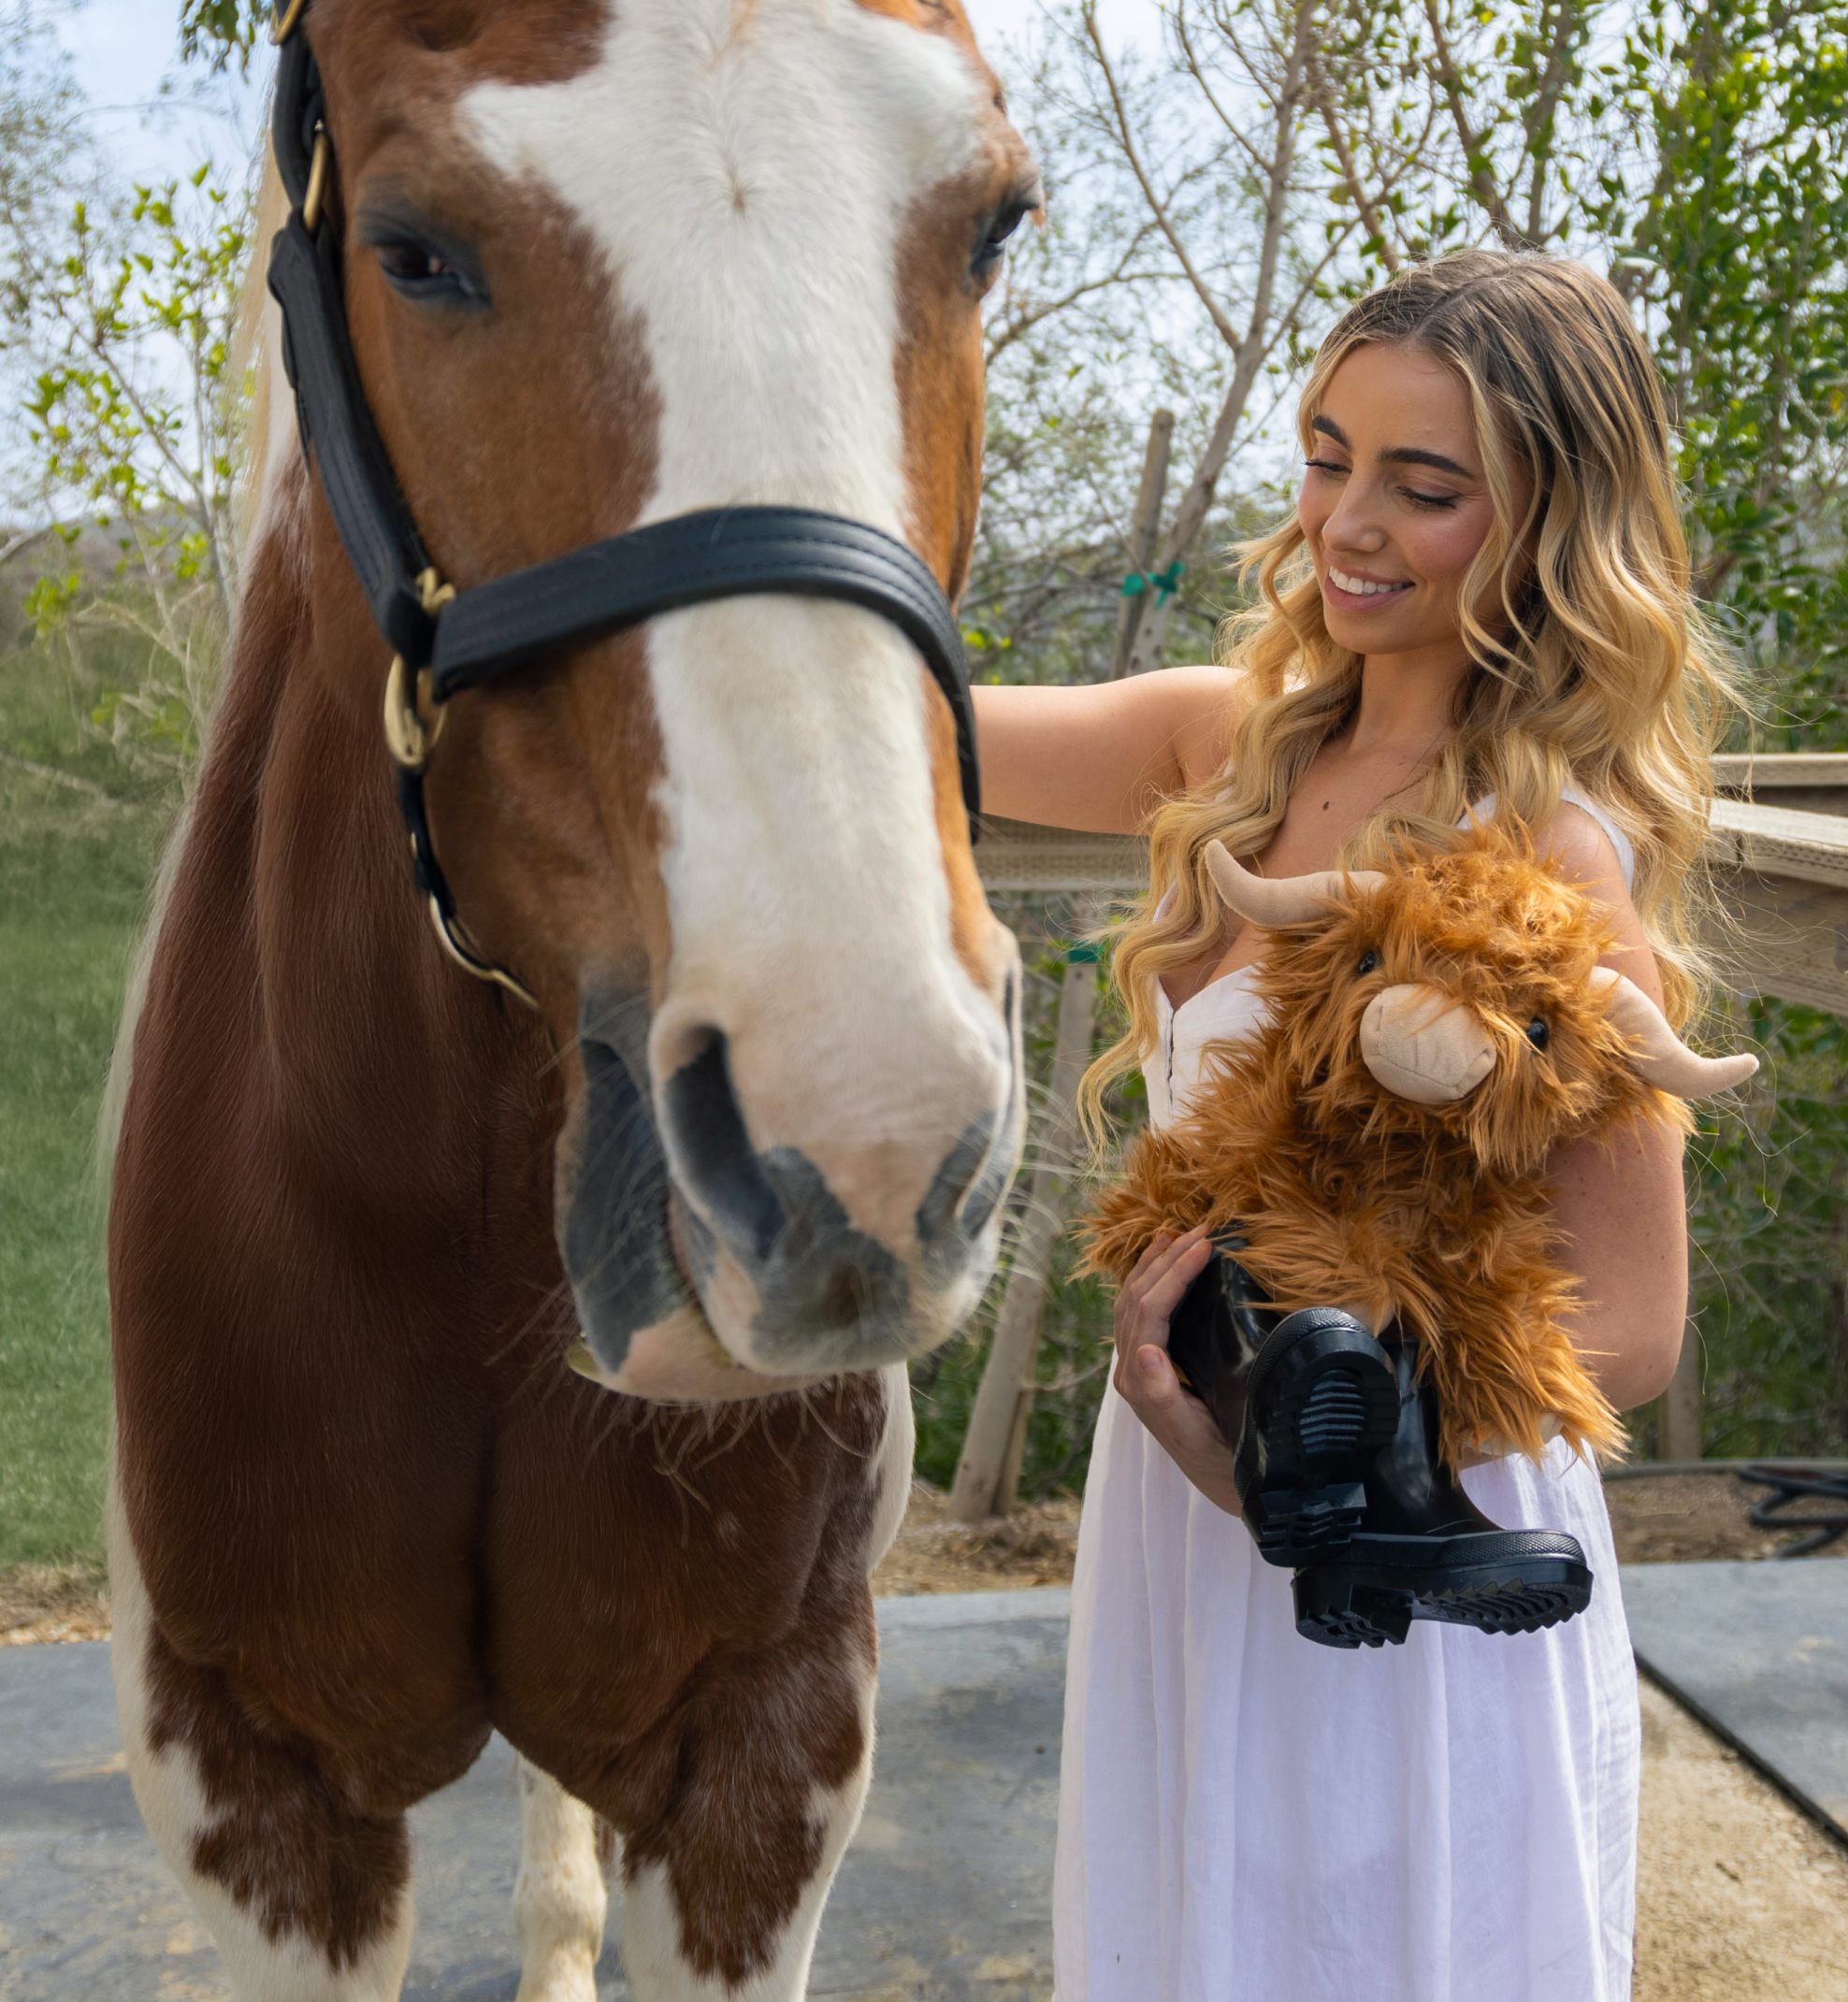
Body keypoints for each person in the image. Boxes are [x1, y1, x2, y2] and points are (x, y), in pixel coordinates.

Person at [969, 249, 1738, 2002]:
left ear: (1550, 521)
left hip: (1397, 1532)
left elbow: (1629, 1325)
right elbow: (905, 732)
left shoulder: (1551, 852)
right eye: (1330, 454)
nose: (1350, 520)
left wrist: (1290, 1435)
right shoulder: (1213, 742)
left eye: (1427, 483)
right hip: (1172, 1522)